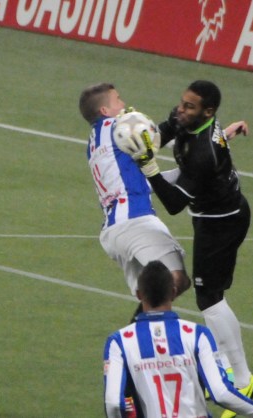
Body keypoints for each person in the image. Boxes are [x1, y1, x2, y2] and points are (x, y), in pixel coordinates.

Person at [129, 80, 253, 417]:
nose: (181, 110)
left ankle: (242, 378)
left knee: (209, 296)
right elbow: (164, 131)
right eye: (182, 103)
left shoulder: (204, 153)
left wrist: (148, 166)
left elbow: (173, 204)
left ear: (209, 111)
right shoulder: (192, 120)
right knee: (210, 294)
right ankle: (231, 368)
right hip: (209, 213)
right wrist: (138, 134)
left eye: (189, 107)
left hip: (223, 222)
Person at [79, 82, 191, 322]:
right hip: (135, 221)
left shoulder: (94, 144)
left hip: (115, 230)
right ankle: (134, 337)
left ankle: (136, 346)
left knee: (153, 295)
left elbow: (139, 182)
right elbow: (154, 137)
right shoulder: (114, 127)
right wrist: (182, 124)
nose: (124, 105)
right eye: (118, 100)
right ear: (104, 112)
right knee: (176, 280)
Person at [103, 260, 253, 418]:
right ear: (174, 292)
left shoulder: (119, 342)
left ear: (139, 294)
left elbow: (114, 403)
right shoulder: (197, 334)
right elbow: (221, 393)